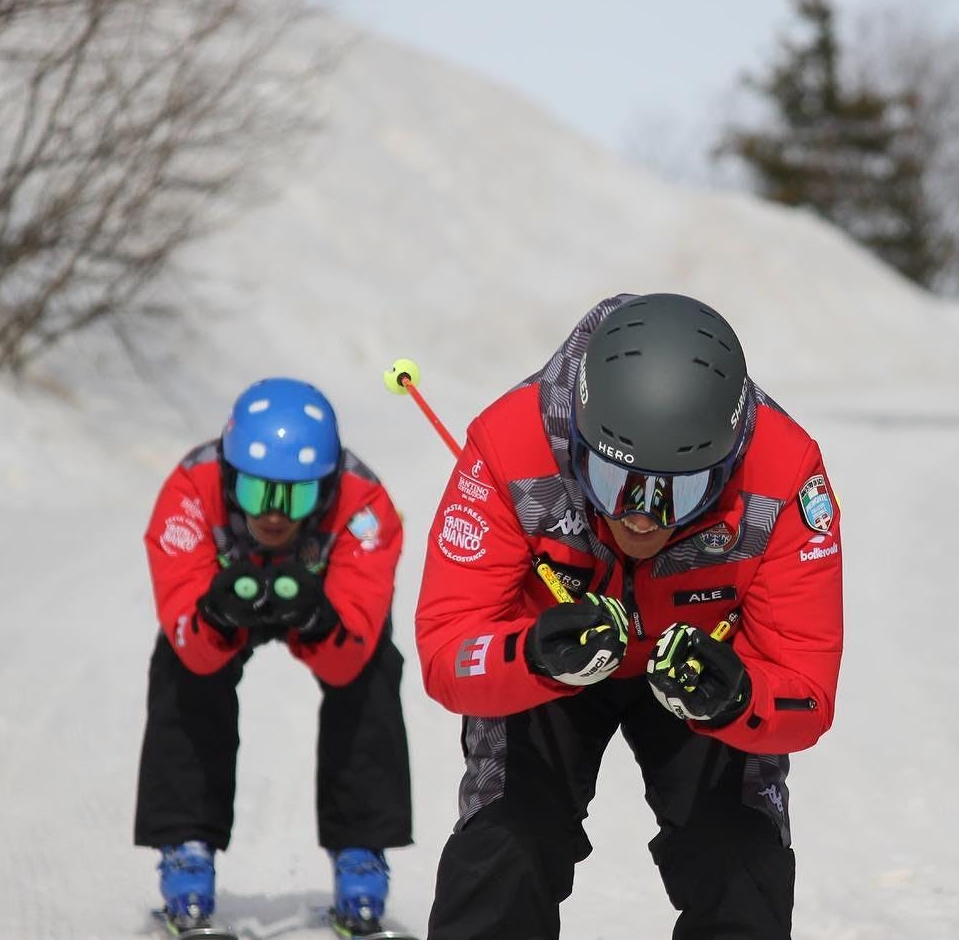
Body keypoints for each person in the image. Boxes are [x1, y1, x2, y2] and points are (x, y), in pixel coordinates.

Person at [413, 292, 844, 939]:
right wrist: (531, 654)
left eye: (682, 491)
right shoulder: (510, 446)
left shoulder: (782, 476)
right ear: (578, 443)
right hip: (552, 662)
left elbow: (806, 691)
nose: (641, 516)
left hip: (698, 665)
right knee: (507, 843)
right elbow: (448, 651)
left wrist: (735, 698)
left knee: (741, 855)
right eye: (617, 483)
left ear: (726, 466)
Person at [136, 377, 412, 938]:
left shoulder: (365, 507)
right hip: (225, 597)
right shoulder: (191, 489)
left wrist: (320, 620)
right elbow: (190, 639)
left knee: (374, 670)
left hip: (320, 600)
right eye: (259, 492)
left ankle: (360, 848)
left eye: (298, 495)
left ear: (329, 487)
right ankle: (187, 846)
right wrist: (213, 617)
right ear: (230, 477)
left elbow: (348, 657)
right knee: (180, 666)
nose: (276, 516)